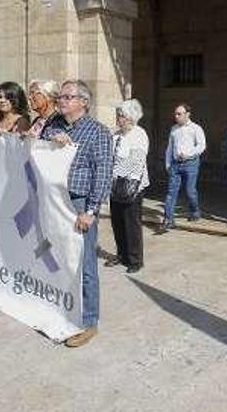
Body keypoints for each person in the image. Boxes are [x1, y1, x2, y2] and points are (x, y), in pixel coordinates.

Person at [41, 79, 113, 348]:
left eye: (68, 97)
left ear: (83, 102)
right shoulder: (54, 125)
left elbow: (103, 173)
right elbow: (33, 146)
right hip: (53, 202)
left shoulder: (98, 132)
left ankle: (88, 322)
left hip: (80, 204)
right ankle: (62, 308)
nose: (61, 100)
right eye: (60, 96)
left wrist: (91, 210)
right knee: (56, 258)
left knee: (84, 266)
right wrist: (50, 138)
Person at [107, 99, 149, 273]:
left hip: (132, 185)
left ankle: (135, 260)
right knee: (117, 221)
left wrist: (115, 171)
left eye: (122, 115)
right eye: (118, 115)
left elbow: (136, 162)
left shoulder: (139, 134)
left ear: (131, 118)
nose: (119, 118)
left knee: (131, 223)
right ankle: (121, 254)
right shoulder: (116, 135)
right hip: (115, 184)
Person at [162, 103, 206, 230]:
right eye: (175, 114)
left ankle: (195, 211)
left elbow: (202, 145)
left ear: (187, 114)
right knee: (171, 192)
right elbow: (169, 148)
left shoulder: (196, 128)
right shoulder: (174, 129)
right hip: (175, 165)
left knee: (190, 191)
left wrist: (188, 154)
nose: (176, 116)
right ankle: (168, 219)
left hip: (191, 163)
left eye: (179, 114)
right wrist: (168, 164)